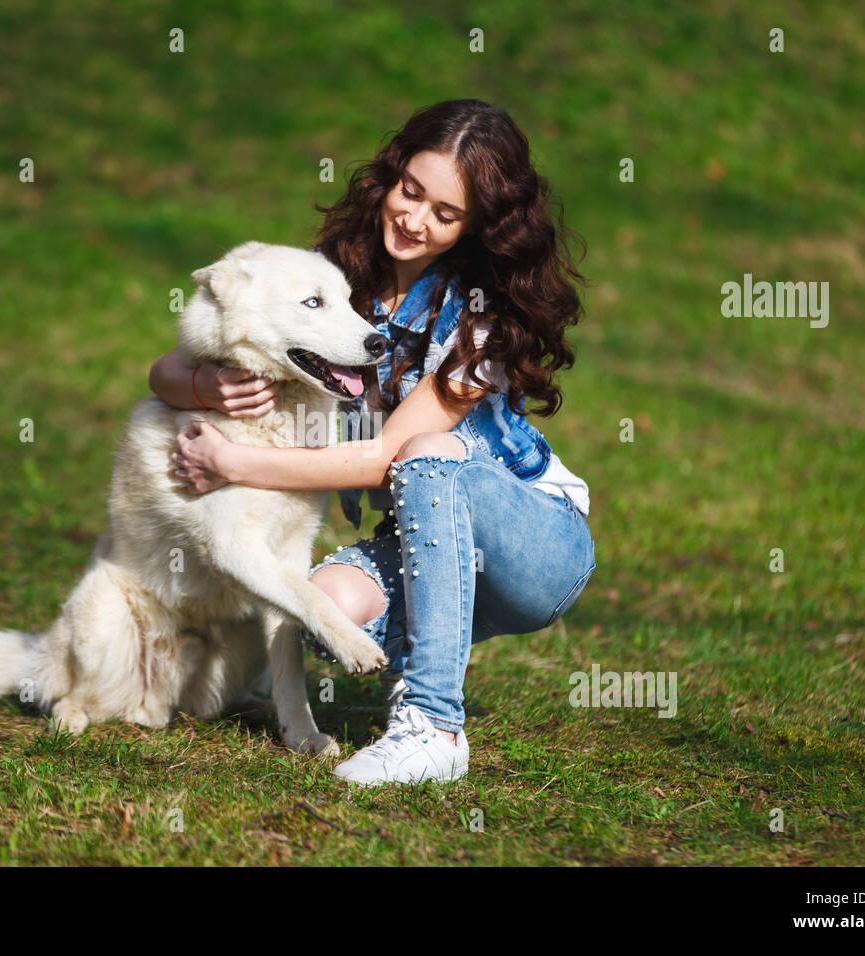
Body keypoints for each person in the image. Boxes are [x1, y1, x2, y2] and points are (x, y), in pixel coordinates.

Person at [151, 99, 595, 785]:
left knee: (425, 457)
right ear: (390, 176)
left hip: (535, 545)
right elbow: (167, 370)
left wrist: (233, 461)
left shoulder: (483, 320)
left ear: (478, 225)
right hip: (424, 536)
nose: (414, 220)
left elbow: (386, 453)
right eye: (410, 192)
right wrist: (209, 388)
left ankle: (433, 727)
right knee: (317, 610)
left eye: (444, 214)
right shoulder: (337, 276)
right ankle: (428, 659)